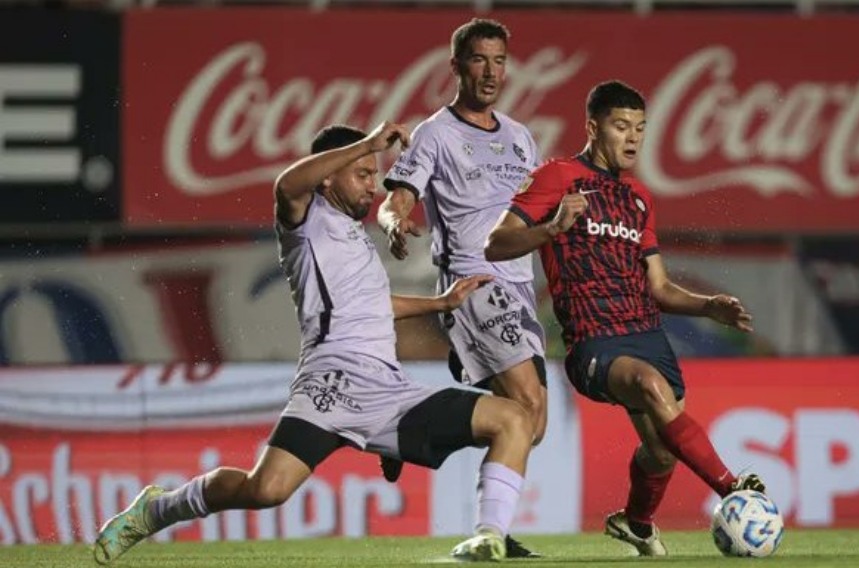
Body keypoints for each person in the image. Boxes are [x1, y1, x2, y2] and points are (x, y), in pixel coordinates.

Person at [92, 122, 535, 564]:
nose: (372, 187)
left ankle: (488, 537)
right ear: (329, 174)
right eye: (362, 174)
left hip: (387, 392)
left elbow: (370, 304)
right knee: (265, 489)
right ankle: (157, 509)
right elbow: (287, 184)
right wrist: (367, 144)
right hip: (329, 385)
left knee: (513, 419)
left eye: (372, 175)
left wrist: (440, 303)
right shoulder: (305, 218)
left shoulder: (357, 237)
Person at [484, 80, 766, 556]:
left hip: (646, 334)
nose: (633, 137)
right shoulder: (557, 177)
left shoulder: (638, 198)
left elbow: (658, 288)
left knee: (659, 450)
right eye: (621, 126)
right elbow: (496, 242)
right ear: (593, 128)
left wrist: (706, 306)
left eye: (640, 128)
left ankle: (637, 522)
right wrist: (552, 229)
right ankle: (733, 489)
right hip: (594, 341)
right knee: (651, 386)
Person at [378, 19, 546, 558]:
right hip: (473, 281)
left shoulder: (521, 137)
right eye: (479, 60)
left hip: (520, 288)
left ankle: (414, 425)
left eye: (499, 60)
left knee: (529, 424)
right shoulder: (436, 133)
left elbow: (532, 214)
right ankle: (488, 534)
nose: (491, 72)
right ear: (456, 67)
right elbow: (399, 196)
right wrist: (391, 221)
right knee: (526, 401)